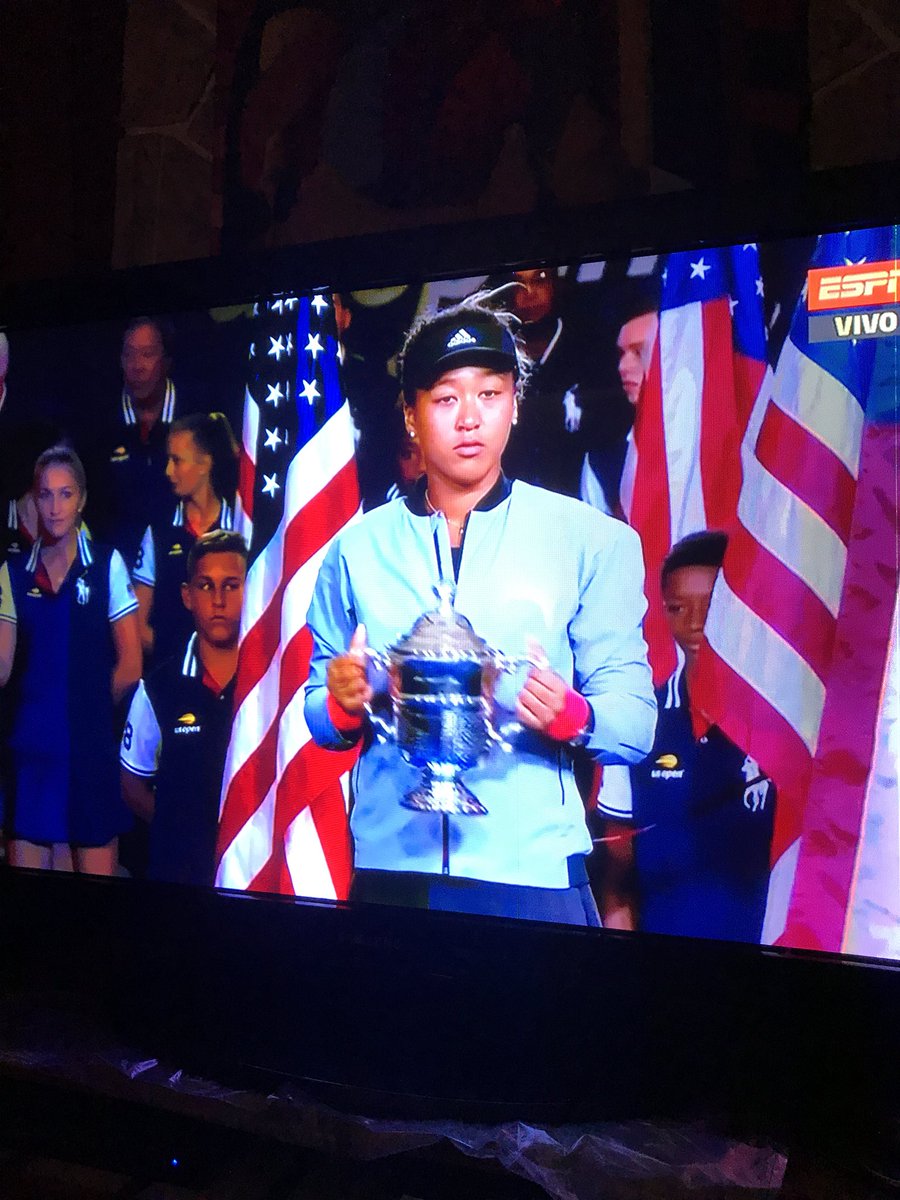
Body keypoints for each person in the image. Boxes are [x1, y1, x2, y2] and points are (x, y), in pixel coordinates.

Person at [304, 295, 656, 924]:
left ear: (515, 405)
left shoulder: (591, 540)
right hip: (393, 874)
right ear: (410, 416)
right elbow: (318, 712)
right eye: (446, 399)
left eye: (489, 394)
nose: (470, 419)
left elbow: (634, 725)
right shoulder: (356, 547)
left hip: (532, 878)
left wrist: (576, 716)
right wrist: (341, 701)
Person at [595, 530, 776, 942]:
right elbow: (618, 872)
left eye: (710, 607)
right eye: (678, 608)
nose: (695, 623)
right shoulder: (640, 719)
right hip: (664, 957)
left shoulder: (782, 724)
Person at [0, 446, 141, 874]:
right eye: (45, 494)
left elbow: (131, 665)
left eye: (65, 494)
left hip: (89, 758)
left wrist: (88, 711)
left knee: (95, 910)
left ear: (81, 499)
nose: (55, 506)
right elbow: (2, 668)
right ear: (33, 499)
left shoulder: (108, 565)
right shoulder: (12, 573)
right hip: (31, 760)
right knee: (28, 908)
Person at [120, 530, 247, 887]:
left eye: (231, 585)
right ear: (187, 596)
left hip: (249, 873)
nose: (218, 600)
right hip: (178, 878)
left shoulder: (266, 685)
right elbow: (131, 783)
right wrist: (180, 827)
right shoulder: (158, 689)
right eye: (206, 586)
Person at [132, 412, 238, 669]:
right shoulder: (158, 534)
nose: (168, 471)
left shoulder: (239, 528)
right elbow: (137, 624)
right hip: (170, 676)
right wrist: (175, 659)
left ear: (204, 464)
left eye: (177, 461)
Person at [88, 317, 184, 569]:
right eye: (129, 355)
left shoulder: (195, 416)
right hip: (119, 570)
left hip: (183, 566)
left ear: (166, 361)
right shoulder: (98, 426)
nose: (137, 366)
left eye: (147, 354)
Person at [580, 287, 658, 518]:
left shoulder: (726, 445)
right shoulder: (602, 465)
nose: (623, 367)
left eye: (640, 351)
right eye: (622, 354)